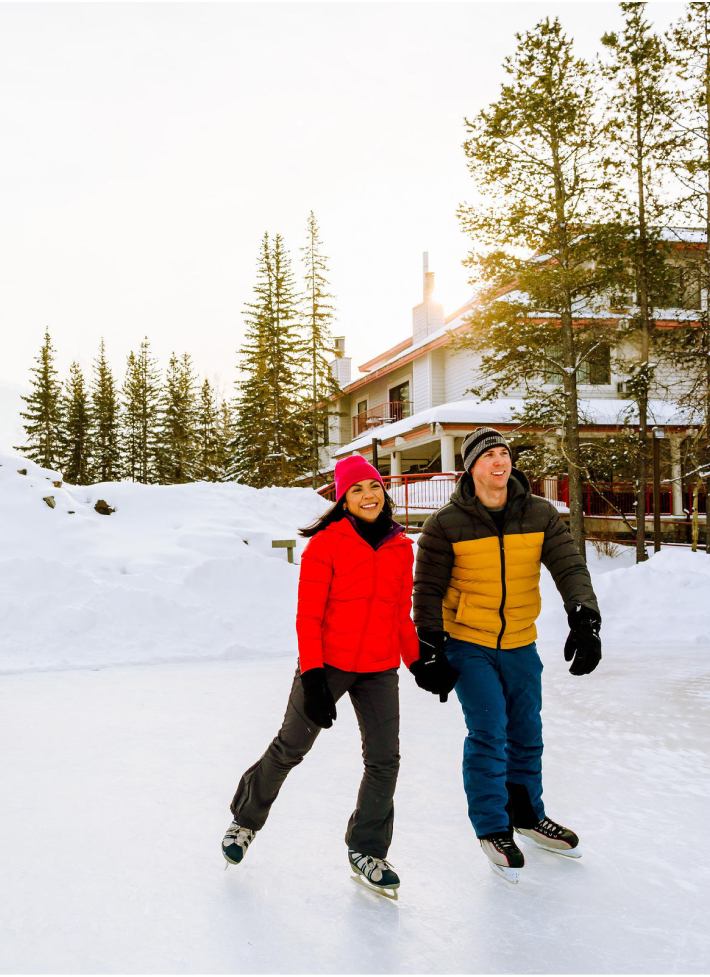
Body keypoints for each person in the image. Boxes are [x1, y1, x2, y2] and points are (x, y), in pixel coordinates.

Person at [221, 454, 420, 895]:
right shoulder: (326, 545)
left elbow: (400, 613)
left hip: (379, 667)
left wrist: (417, 660)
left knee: (384, 760)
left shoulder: (401, 547)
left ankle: (367, 848)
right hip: (327, 664)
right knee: (292, 744)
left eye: (373, 487)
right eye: (356, 490)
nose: (368, 496)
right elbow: (308, 617)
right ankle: (245, 819)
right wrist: (312, 676)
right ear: (343, 500)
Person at [412, 427, 602, 883]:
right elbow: (428, 590)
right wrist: (431, 646)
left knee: (527, 730)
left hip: (519, 641)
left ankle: (527, 815)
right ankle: (493, 828)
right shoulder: (445, 524)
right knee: (489, 730)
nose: (500, 462)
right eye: (489, 455)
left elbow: (569, 564)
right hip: (468, 643)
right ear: (471, 466)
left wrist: (585, 616)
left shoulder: (538, 514)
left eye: (504, 454)